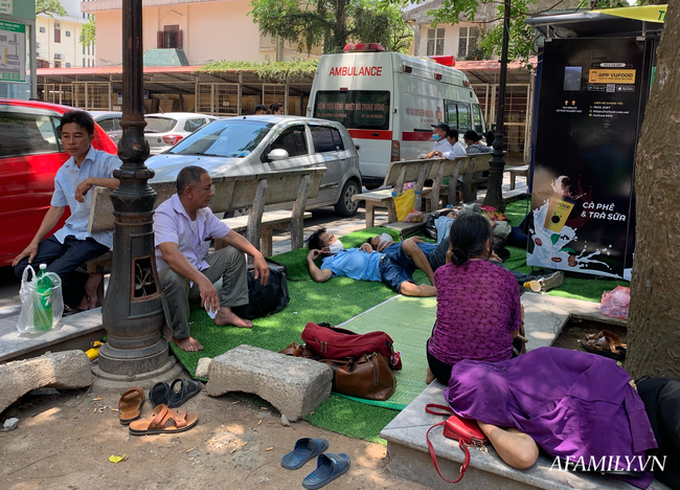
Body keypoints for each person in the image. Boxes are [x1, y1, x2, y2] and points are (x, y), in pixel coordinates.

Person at [13, 110, 121, 311]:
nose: (71, 141)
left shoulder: (106, 161)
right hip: (72, 232)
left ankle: (77, 300)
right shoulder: (64, 172)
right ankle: (82, 290)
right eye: (66, 136)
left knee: (54, 274)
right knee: (24, 268)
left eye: (77, 135)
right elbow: (55, 209)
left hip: (99, 235)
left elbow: (129, 180)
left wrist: (92, 181)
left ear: (91, 137)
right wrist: (34, 242)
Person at [153, 165, 269, 352]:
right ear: (189, 192)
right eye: (206, 188)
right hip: (168, 284)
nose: (211, 193)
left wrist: (257, 254)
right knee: (175, 276)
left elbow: (231, 236)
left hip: (196, 277)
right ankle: (180, 334)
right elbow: (169, 255)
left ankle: (225, 312)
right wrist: (202, 280)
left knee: (234, 253)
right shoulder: (165, 214)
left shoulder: (203, 213)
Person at [426, 213, 522, 386]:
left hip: (443, 368)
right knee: (514, 324)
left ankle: (429, 371)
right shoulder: (507, 278)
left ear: (452, 244)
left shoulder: (442, 274)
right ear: (487, 244)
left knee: (445, 316)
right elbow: (513, 333)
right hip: (493, 370)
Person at [306, 228, 448, 297]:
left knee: (409, 243)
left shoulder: (346, 250)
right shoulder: (330, 263)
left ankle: (433, 280)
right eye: (331, 239)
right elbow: (320, 277)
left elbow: (360, 256)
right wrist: (309, 260)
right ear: (323, 249)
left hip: (386, 257)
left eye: (334, 236)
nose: (336, 239)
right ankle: (442, 291)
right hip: (384, 270)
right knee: (408, 289)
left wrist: (365, 246)